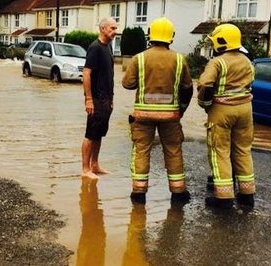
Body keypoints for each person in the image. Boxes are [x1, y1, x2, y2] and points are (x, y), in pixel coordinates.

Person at [122, 17, 193, 204]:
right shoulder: (180, 59)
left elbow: (127, 84)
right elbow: (187, 88)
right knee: (173, 150)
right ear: (172, 36)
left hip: (143, 115)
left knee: (141, 150)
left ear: (150, 35)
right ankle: (178, 192)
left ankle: (139, 192)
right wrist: (181, 110)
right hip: (170, 116)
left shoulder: (139, 58)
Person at [197, 23, 255, 209]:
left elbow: (205, 84)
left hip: (222, 111)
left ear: (221, 41)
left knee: (219, 151)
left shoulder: (217, 62)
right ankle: (247, 195)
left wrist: (205, 104)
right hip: (245, 110)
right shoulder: (247, 61)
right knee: (243, 150)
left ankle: (224, 198)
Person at [81, 17, 118, 179]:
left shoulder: (108, 47)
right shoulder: (95, 48)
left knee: (99, 133)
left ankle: (95, 165)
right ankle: (85, 169)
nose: (115, 31)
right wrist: (88, 99)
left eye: (116, 28)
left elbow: (108, 76)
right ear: (102, 29)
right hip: (95, 99)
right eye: (112, 28)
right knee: (91, 134)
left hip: (106, 100)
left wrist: (111, 99)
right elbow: (87, 73)